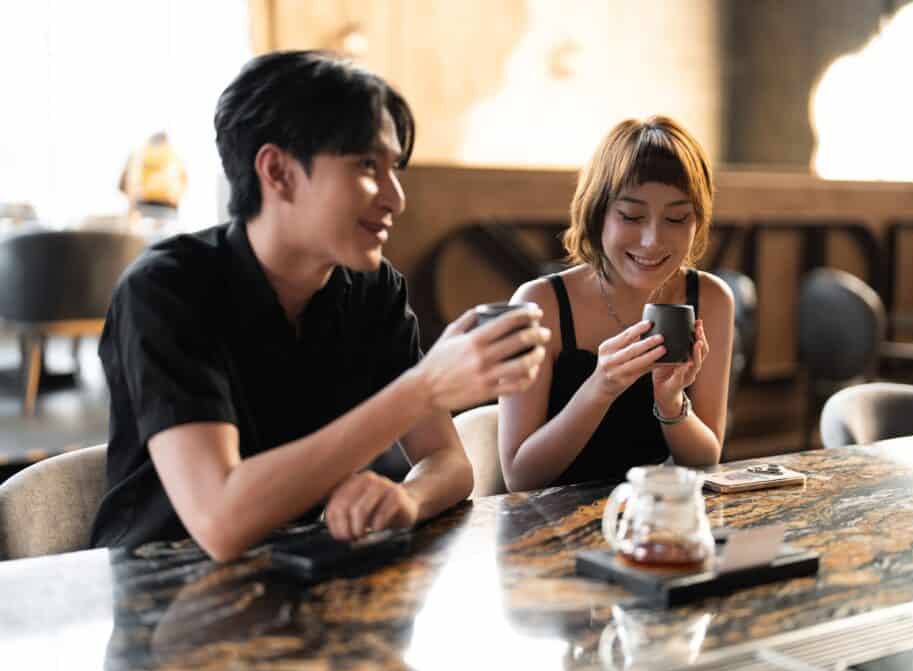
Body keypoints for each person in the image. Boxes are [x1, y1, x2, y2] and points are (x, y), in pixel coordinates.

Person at [90, 51, 550, 560]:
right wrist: (425, 386)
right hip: (162, 592)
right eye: (367, 167)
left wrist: (407, 498)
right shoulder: (166, 289)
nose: (396, 197)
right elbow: (219, 521)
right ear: (278, 171)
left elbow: (448, 460)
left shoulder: (373, 290)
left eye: (394, 168)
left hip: (309, 574)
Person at [499, 116, 733, 491]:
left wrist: (671, 403)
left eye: (676, 217)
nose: (652, 240)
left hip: (651, 522)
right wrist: (602, 386)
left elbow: (705, 461)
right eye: (631, 216)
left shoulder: (710, 299)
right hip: (549, 529)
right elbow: (520, 476)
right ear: (597, 213)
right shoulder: (540, 304)